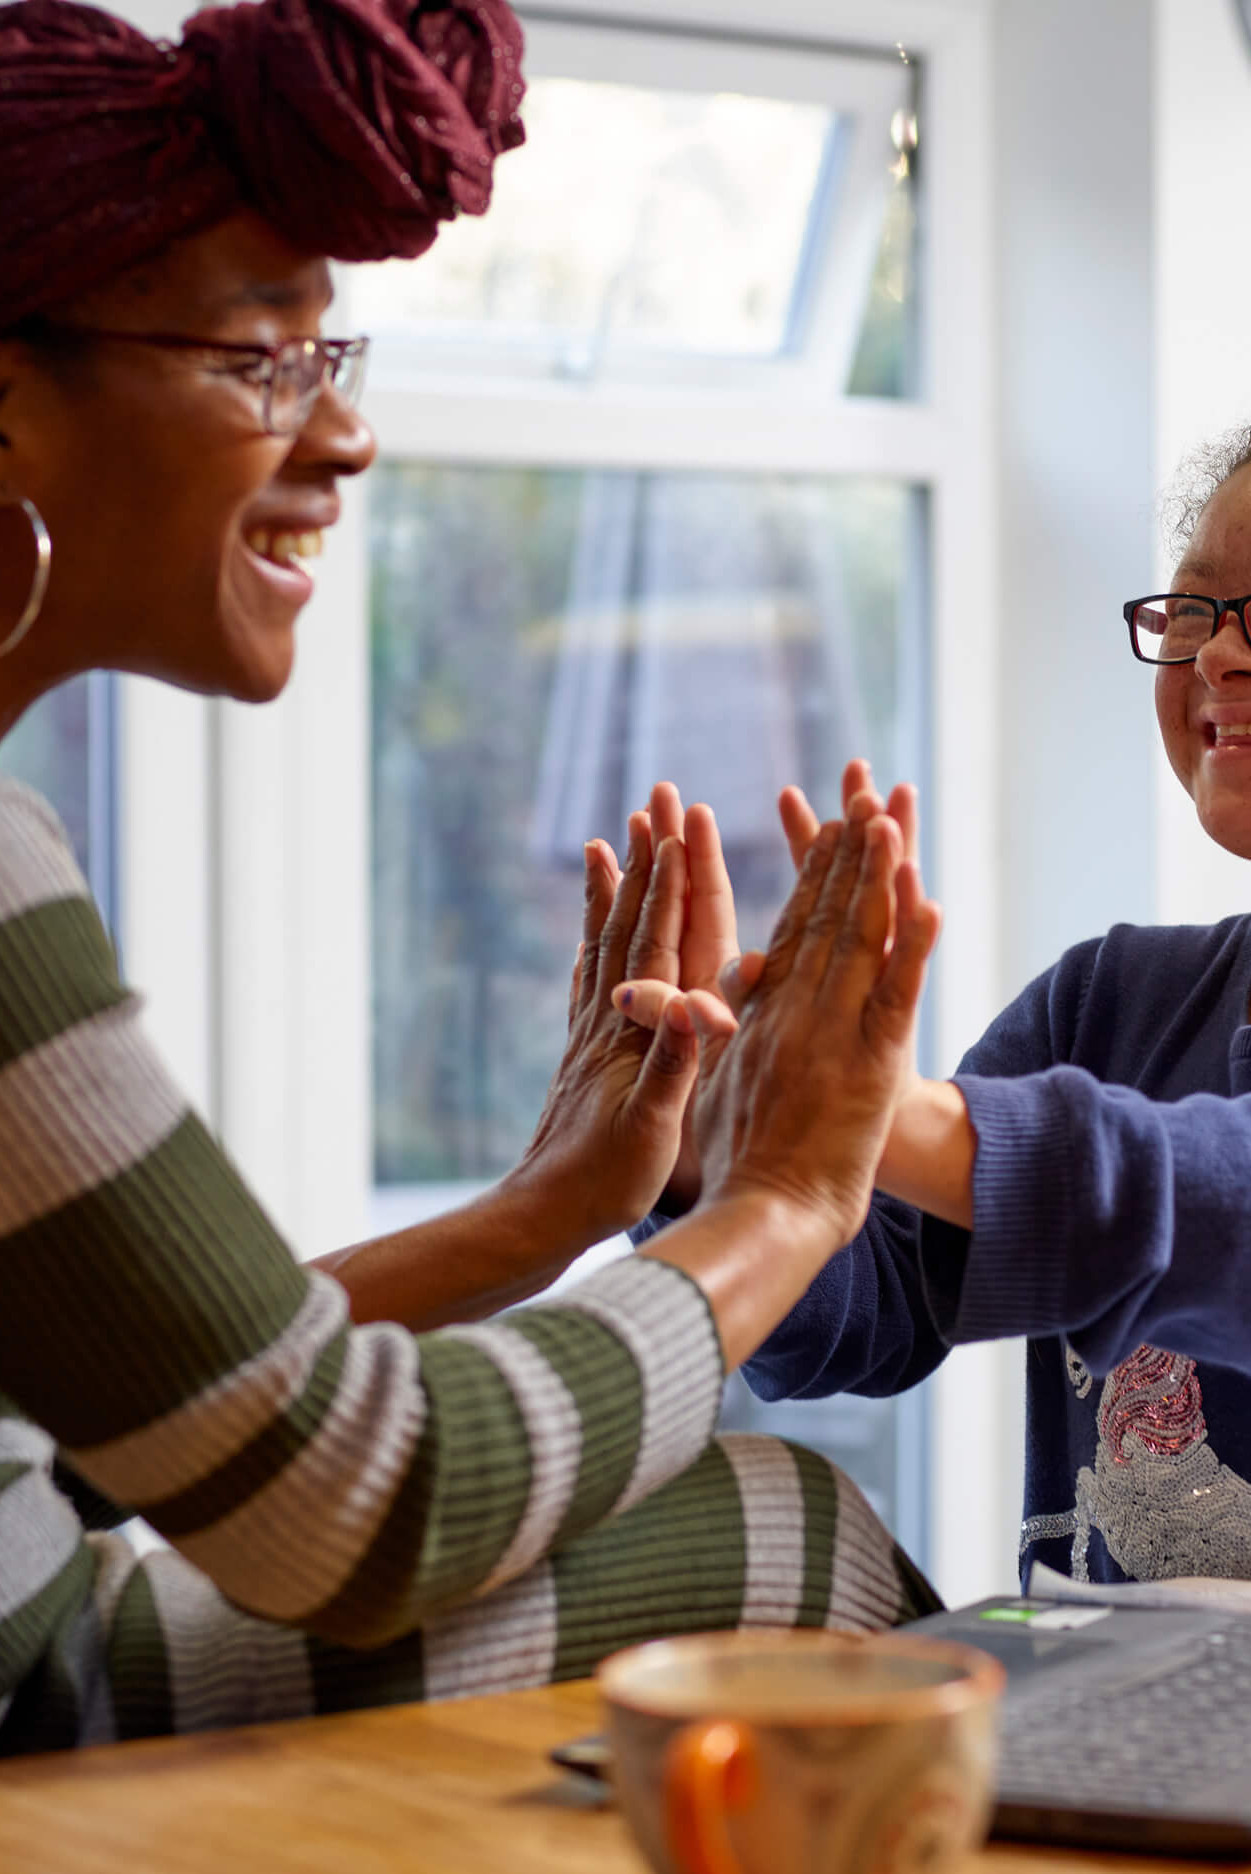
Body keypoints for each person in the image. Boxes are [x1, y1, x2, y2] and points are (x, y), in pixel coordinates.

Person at [0, 0, 942, 1755]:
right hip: (42, 1706)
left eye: (331, 357)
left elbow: (116, 1412)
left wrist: (556, 1206)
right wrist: (791, 1197)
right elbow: (358, 1504)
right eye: (259, 355)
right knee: (796, 1529)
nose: (340, 437)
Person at [627, 396, 1251, 1593]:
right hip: (1115, 1749)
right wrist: (706, 1138)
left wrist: (886, 1113)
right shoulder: (1110, 1001)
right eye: (1192, 609)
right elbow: (857, 1310)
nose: (1218, 654)